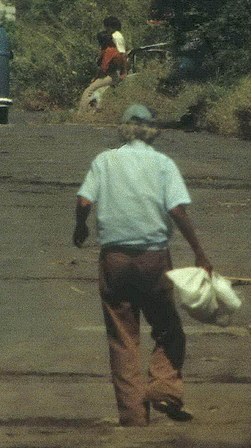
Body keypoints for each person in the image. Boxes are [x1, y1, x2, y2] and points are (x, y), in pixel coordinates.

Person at [73, 104, 214, 426]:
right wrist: (199, 252)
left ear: (123, 129)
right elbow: (177, 211)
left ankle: (133, 415)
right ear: (151, 131)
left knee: (123, 338)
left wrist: (80, 227)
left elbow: (84, 201)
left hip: (115, 261)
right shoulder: (163, 164)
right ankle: (164, 388)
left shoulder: (104, 160)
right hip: (154, 260)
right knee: (168, 329)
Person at [76, 30, 128, 112]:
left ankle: (82, 112)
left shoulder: (109, 51)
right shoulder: (113, 49)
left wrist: (96, 77)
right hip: (113, 74)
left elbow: (103, 68)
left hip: (110, 75)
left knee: (88, 91)